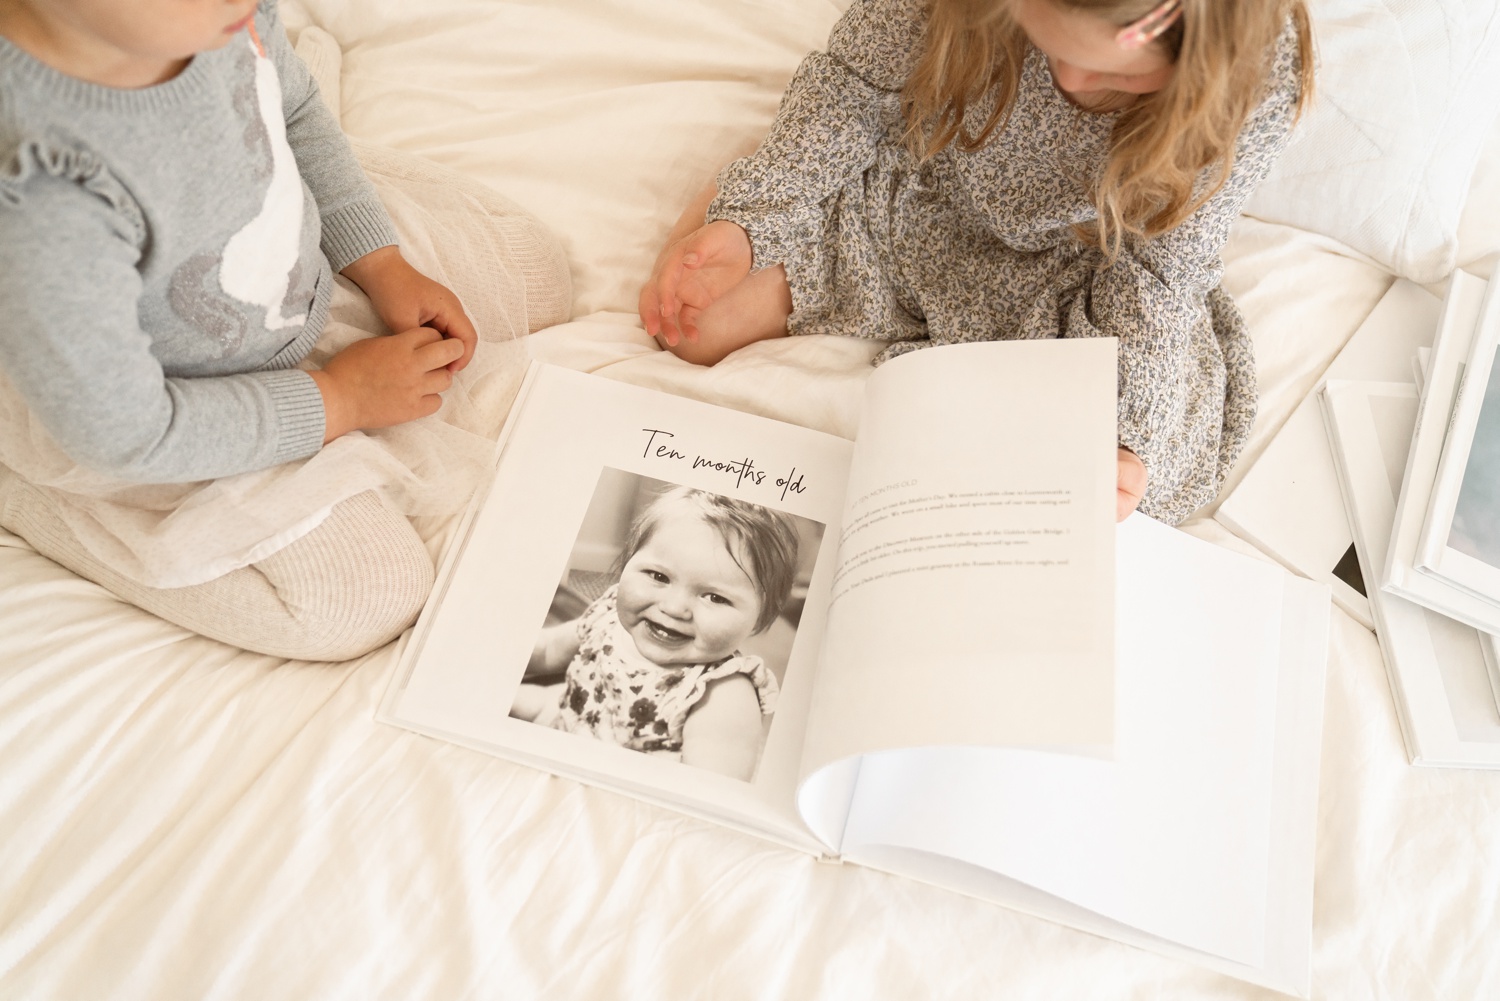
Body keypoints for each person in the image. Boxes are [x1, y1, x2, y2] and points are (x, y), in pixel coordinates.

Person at [0, 0, 549, 659]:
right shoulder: (42, 197)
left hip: (280, 275)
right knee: (360, 598)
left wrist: (380, 261)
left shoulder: (218, 14)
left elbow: (288, 110)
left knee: (535, 274)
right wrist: (338, 400)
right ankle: (31, 488)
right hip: (164, 407)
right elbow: (132, 435)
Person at [638, 0, 1314, 524]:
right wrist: (750, 222)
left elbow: (1162, 271)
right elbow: (851, 90)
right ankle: (749, 196)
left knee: (1145, 484)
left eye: (1118, 72)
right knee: (691, 321)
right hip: (918, 189)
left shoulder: (1251, 72)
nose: (1073, 80)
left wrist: (1127, 433)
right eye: (1043, 40)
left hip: (1078, 266)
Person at [512, 487, 800, 782]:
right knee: (492, 692)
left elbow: (706, 795)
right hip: (562, 716)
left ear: (759, 619)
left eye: (714, 597)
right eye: (659, 577)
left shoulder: (722, 694)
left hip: (617, 785)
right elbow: (547, 652)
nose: (675, 608)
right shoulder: (608, 615)